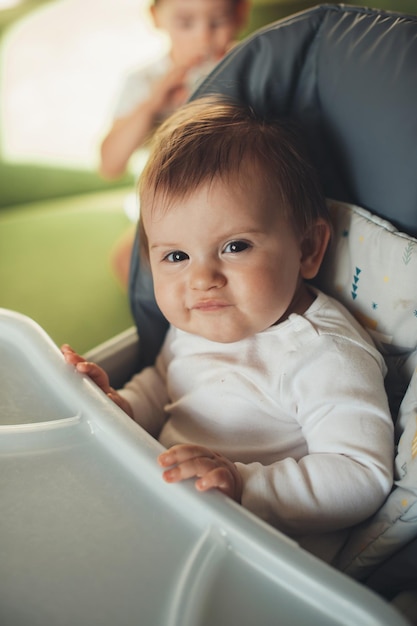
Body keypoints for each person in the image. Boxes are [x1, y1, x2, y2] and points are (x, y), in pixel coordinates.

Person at [62, 97, 394, 564]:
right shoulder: (202, 317)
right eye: (176, 256)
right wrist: (121, 407)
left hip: (255, 554)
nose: (201, 279)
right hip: (164, 511)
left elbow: (361, 475)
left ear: (307, 249)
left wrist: (244, 484)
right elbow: (163, 385)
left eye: (235, 246)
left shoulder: (323, 355)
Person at [100, 0, 250, 286]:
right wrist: (153, 105)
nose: (204, 37)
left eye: (217, 22)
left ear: (240, 14)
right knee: (125, 260)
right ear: (157, 17)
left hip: (233, 196)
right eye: (185, 23)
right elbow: (110, 165)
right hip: (166, 203)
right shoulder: (145, 81)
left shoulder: (248, 66)